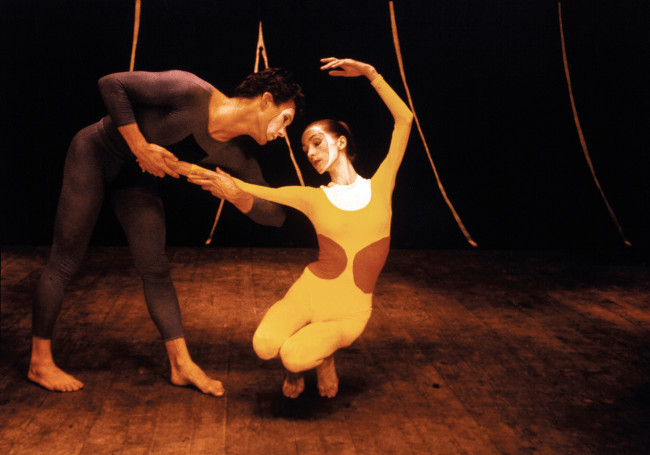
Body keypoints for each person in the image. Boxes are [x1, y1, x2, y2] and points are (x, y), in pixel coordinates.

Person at [29, 68, 304, 395]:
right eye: (285, 119)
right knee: (63, 263)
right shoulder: (191, 91)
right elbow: (111, 84)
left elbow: (276, 217)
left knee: (155, 268)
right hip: (95, 153)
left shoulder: (235, 155)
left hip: (134, 178)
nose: (283, 131)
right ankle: (39, 362)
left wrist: (237, 196)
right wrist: (141, 148)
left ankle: (180, 364)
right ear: (266, 100)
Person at [187, 57, 413, 398]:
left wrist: (371, 74)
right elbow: (258, 190)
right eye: (305, 147)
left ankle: (319, 360)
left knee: (293, 356)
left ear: (341, 142)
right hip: (310, 292)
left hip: (349, 313)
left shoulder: (382, 185)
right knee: (264, 346)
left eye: (316, 142)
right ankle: (303, 357)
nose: (309, 152)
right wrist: (219, 183)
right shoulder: (312, 197)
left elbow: (404, 120)